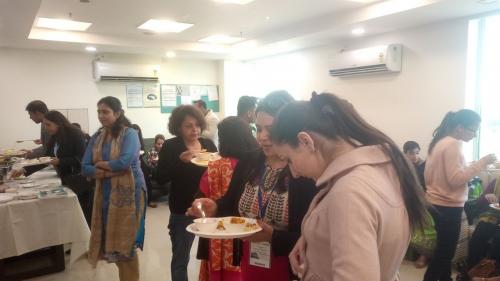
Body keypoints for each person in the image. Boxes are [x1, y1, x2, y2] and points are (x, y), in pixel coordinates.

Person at [270, 92, 428, 281]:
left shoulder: (349, 192)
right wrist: (313, 239)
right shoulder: (384, 166)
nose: (293, 172)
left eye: (289, 159)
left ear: (306, 141)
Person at [188, 91, 317, 281]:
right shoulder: (249, 161)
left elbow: (315, 237)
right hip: (250, 262)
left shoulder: (303, 172)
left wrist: (272, 237)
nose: (263, 137)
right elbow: (232, 205)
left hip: (290, 267)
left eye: (270, 129)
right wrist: (215, 207)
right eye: (258, 129)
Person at [423, 109, 496, 281]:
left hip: (435, 202)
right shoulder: (453, 144)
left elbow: (438, 174)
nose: (475, 135)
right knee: (444, 255)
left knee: (442, 252)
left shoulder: (440, 142)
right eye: (473, 130)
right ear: (460, 127)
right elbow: (456, 179)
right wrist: (481, 162)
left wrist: (469, 166)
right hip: (447, 206)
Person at [81, 96, 146, 281]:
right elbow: (84, 166)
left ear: (117, 113)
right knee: (113, 242)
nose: (101, 116)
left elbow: (125, 162)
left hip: (131, 192)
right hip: (105, 192)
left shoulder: (129, 134)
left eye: (105, 112)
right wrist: (109, 171)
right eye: (99, 112)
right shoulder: (97, 137)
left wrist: (100, 165)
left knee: (126, 244)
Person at [156, 105, 218, 281]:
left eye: (197, 125)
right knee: (181, 258)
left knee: (211, 256)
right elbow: (160, 177)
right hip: (182, 209)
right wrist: (180, 161)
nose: (195, 129)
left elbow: (216, 172)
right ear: (178, 127)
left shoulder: (208, 144)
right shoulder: (171, 146)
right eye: (188, 126)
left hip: (208, 208)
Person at [197, 116, 259, 281]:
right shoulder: (257, 165)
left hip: (217, 234)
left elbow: (201, 196)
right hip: (249, 232)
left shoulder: (215, 166)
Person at [11, 111, 91, 224]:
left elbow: (81, 158)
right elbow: (46, 158)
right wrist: (24, 170)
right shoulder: (55, 136)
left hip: (79, 178)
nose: (46, 127)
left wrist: (60, 161)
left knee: (82, 212)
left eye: (48, 124)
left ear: (58, 123)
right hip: (66, 177)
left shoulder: (75, 134)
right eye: (44, 124)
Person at [403, 141, 433, 268]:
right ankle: (404, 252)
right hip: (406, 200)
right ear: (404, 153)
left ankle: (424, 255)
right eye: (411, 153)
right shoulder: (400, 166)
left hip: (424, 200)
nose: (415, 156)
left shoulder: (425, 165)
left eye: (417, 153)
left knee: (427, 224)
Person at [131, 124, 156, 208]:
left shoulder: (140, 140)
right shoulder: (128, 140)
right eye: (134, 131)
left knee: (147, 178)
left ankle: (150, 200)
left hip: (140, 161)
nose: (136, 133)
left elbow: (143, 152)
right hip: (131, 163)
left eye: (137, 132)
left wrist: (140, 154)